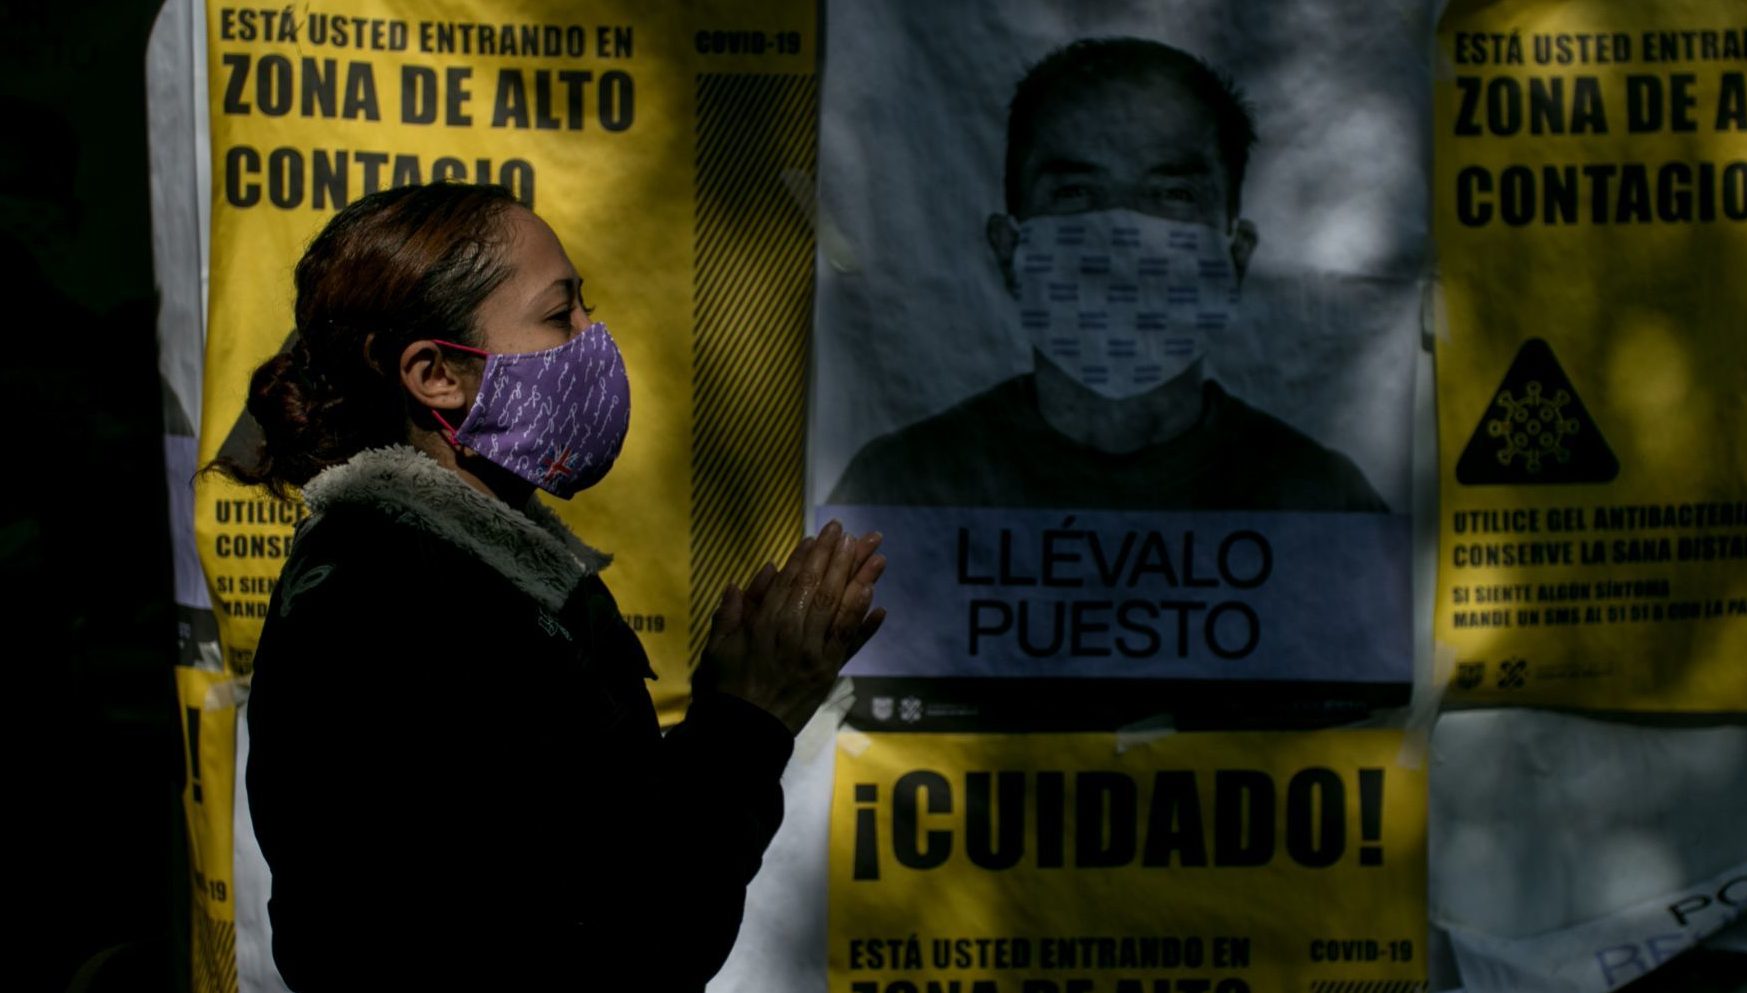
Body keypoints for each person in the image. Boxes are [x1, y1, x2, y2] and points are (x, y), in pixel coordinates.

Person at [213, 182, 886, 991]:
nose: (593, 337)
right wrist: (750, 721)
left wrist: (723, 712)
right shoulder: (400, 610)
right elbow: (620, 945)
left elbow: (602, 848)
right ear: (436, 375)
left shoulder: (456, 570)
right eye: (559, 314)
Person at [828, 37, 1387, 512]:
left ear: (1234, 258)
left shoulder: (1322, 501)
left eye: (1171, 195)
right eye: (1076, 193)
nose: (1122, 244)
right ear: (1009, 250)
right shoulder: (899, 488)